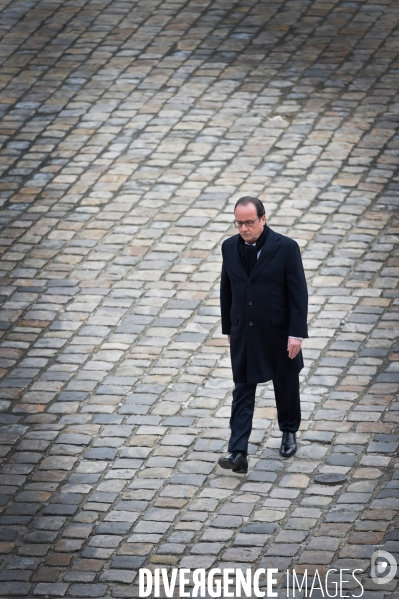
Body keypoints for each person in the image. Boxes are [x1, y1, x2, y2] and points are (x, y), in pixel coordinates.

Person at [218, 196, 308, 474]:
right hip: (244, 332)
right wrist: (229, 328)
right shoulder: (229, 247)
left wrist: (296, 333)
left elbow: (298, 293)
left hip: (278, 332)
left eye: (249, 222)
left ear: (263, 219)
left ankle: (289, 431)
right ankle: (238, 452)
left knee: (285, 383)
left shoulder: (286, 248)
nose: (244, 228)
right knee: (243, 389)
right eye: (239, 223)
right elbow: (227, 289)